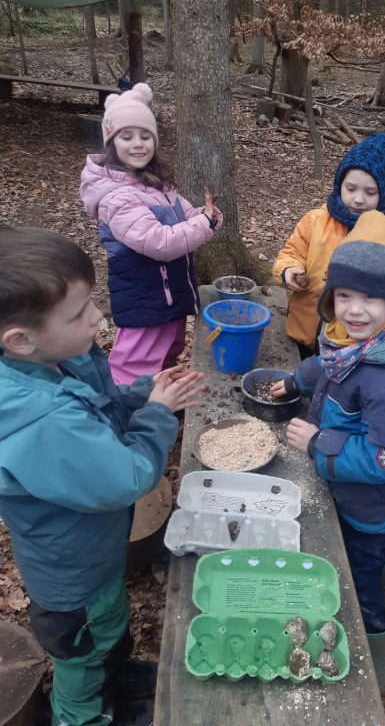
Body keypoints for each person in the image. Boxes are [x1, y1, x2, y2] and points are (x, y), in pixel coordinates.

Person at [0, 226, 204, 726]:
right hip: (72, 575)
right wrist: (157, 415)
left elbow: (97, 404)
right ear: (20, 339)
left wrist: (140, 392)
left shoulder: (52, 360)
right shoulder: (39, 420)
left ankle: (117, 673)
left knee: (109, 627)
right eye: (78, 313)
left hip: (91, 555)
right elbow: (125, 477)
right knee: (85, 654)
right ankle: (83, 715)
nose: (99, 317)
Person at [270, 211, 385, 692]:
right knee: (348, 557)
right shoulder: (354, 342)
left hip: (367, 505)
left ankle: (374, 656)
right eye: (344, 295)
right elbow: (326, 366)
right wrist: (291, 382)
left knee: (363, 576)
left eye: (370, 297)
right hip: (343, 486)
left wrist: (318, 444)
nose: (354, 309)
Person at [80, 82, 222, 385]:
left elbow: (184, 214)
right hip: (143, 299)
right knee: (135, 367)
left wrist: (205, 215)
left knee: (168, 356)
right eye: (126, 136)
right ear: (111, 142)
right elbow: (160, 242)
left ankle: (160, 412)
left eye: (145, 136)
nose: (138, 143)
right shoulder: (116, 197)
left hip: (169, 295)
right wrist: (204, 225)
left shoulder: (157, 183)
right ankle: (124, 417)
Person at [271, 133, 385, 359]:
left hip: (351, 340)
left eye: (370, 192)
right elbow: (291, 252)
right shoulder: (316, 220)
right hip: (305, 329)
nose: (358, 199)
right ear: (339, 184)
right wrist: (288, 270)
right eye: (351, 189)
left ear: (384, 194)